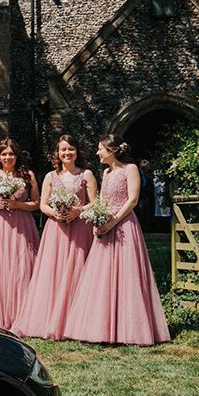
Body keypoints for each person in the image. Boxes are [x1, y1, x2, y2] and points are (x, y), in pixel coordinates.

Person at [61, 136, 171, 346]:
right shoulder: (106, 172)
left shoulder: (130, 169)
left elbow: (132, 200)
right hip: (105, 225)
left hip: (124, 226)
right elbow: (103, 200)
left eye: (100, 149)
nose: (97, 153)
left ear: (112, 150)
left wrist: (113, 222)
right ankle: (103, 327)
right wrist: (97, 220)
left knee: (127, 276)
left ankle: (131, 329)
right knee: (104, 278)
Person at [14, 134, 97, 340]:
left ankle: (78, 322)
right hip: (56, 229)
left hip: (80, 228)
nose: (67, 153)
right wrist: (55, 213)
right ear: (57, 154)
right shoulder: (51, 176)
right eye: (63, 150)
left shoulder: (86, 175)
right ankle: (52, 319)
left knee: (78, 271)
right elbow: (42, 204)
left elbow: (95, 202)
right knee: (55, 273)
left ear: (77, 151)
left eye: (70, 149)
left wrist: (78, 211)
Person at [0, 137, 40, 333]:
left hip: (22, 226)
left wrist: (18, 205)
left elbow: (37, 202)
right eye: (4, 154)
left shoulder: (27, 175)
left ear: (17, 155)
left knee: (22, 268)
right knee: (0, 268)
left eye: (11, 153)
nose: (8, 157)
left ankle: (24, 317)